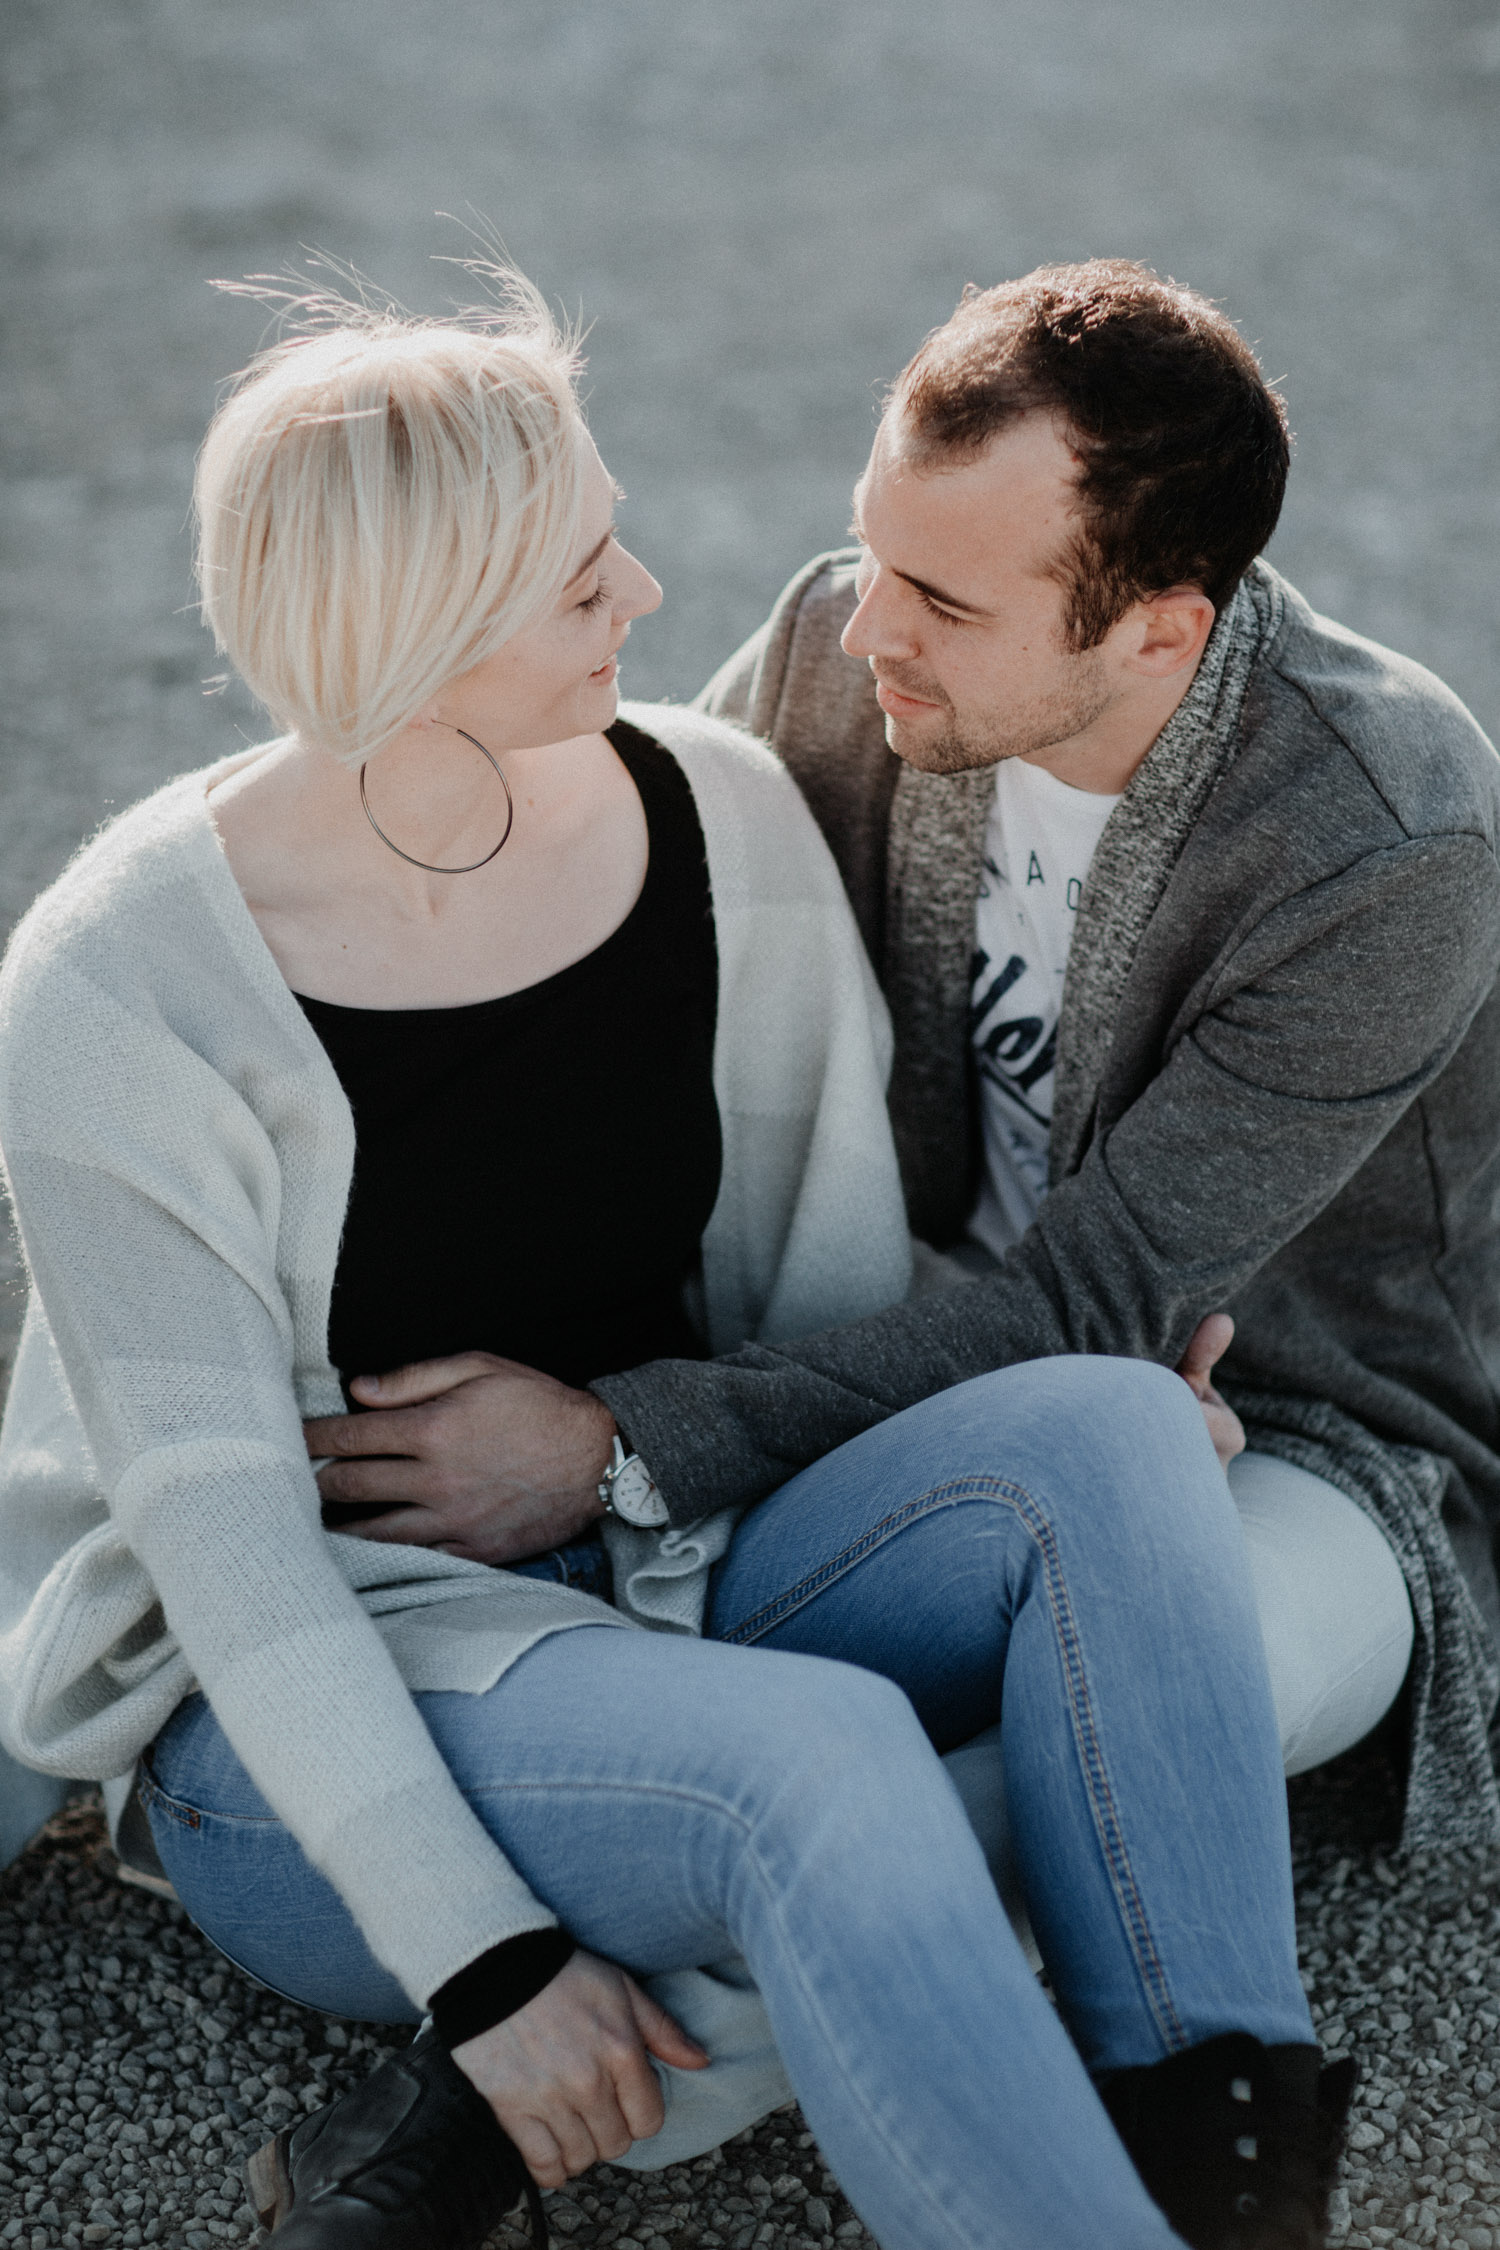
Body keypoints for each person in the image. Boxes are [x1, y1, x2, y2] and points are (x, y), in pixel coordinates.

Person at [0, 273, 1345, 2250]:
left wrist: (1089, 1419)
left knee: (1117, 1431)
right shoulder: (120, 986)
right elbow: (228, 1562)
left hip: (679, 1561)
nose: (646, 592)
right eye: (580, 581)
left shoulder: (715, 813)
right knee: (830, 1763)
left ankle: (1227, 2165)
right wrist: (486, 1969)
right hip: (322, 1712)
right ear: (425, 626)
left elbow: (826, 1299)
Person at [348, 261, 1500, 1870]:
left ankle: (661, 1974)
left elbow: (1092, 1304)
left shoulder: (1383, 840)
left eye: (946, 604)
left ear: (1162, 631)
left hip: (1279, 1430)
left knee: (1158, 1688)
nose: (865, 625)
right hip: (865, 1331)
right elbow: (612, 959)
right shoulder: (840, 645)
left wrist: (612, 1444)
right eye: (875, 550)